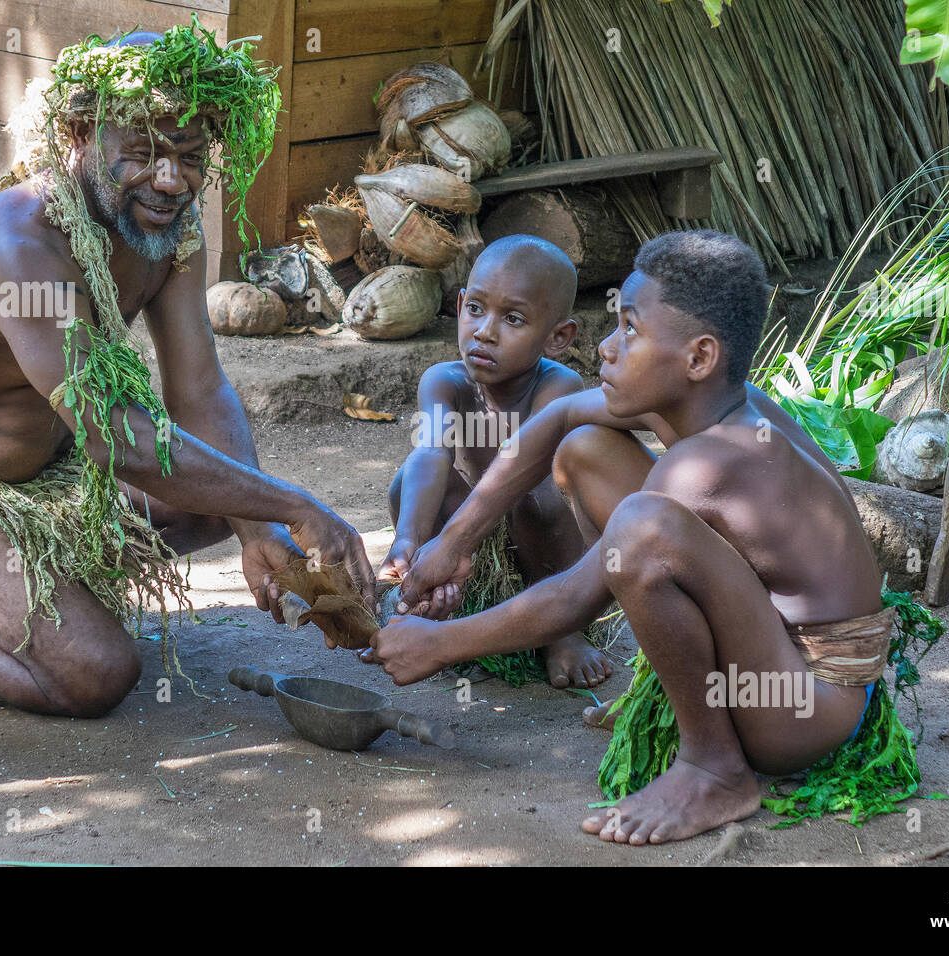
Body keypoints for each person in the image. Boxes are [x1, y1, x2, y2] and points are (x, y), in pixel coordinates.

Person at [0, 24, 373, 726]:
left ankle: (23, 588)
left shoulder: (166, 230)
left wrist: (259, 531)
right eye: (141, 154)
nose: (170, 181)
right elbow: (117, 439)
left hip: (32, 480)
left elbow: (199, 392)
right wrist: (294, 506)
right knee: (97, 673)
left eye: (190, 158)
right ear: (79, 133)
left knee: (225, 497)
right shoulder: (22, 250)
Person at [370, 230, 889, 845]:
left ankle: (714, 770)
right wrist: (457, 540)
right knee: (584, 446)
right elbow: (559, 417)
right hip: (772, 650)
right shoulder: (720, 399)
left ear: (698, 358)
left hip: (805, 705)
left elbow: (577, 596)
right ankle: (687, 701)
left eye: (630, 331)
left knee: (643, 530)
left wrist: (438, 644)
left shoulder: (712, 463)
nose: (606, 348)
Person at [376, 235, 611, 688]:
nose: (485, 331)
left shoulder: (557, 386)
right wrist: (407, 539)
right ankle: (427, 588)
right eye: (477, 309)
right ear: (460, 304)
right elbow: (430, 452)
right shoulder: (444, 381)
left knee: (539, 497)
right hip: (470, 555)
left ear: (558, 337)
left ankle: (560, 629)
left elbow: (522, 468)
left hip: (543, 548)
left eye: (514, 318)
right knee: (408, 478)